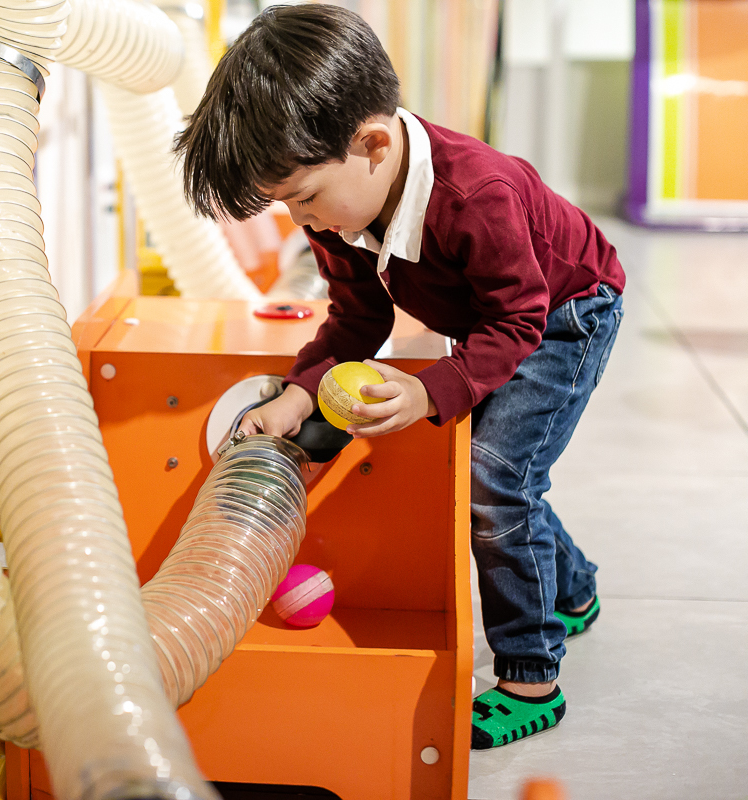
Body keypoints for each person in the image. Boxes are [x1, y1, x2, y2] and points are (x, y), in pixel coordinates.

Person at [174, 4, 624, 750]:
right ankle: (572, 587)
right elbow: (358, 320)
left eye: (303, 195)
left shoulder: (477, 195)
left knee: (494, 473)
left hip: (567, 313)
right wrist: (298, 392)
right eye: (285, 203)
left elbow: (517, 322)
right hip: (503, 315)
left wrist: (429, 390)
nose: (298, 219)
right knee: (511, 476)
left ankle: (531, 673)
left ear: (372, 144)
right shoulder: (342, 215)